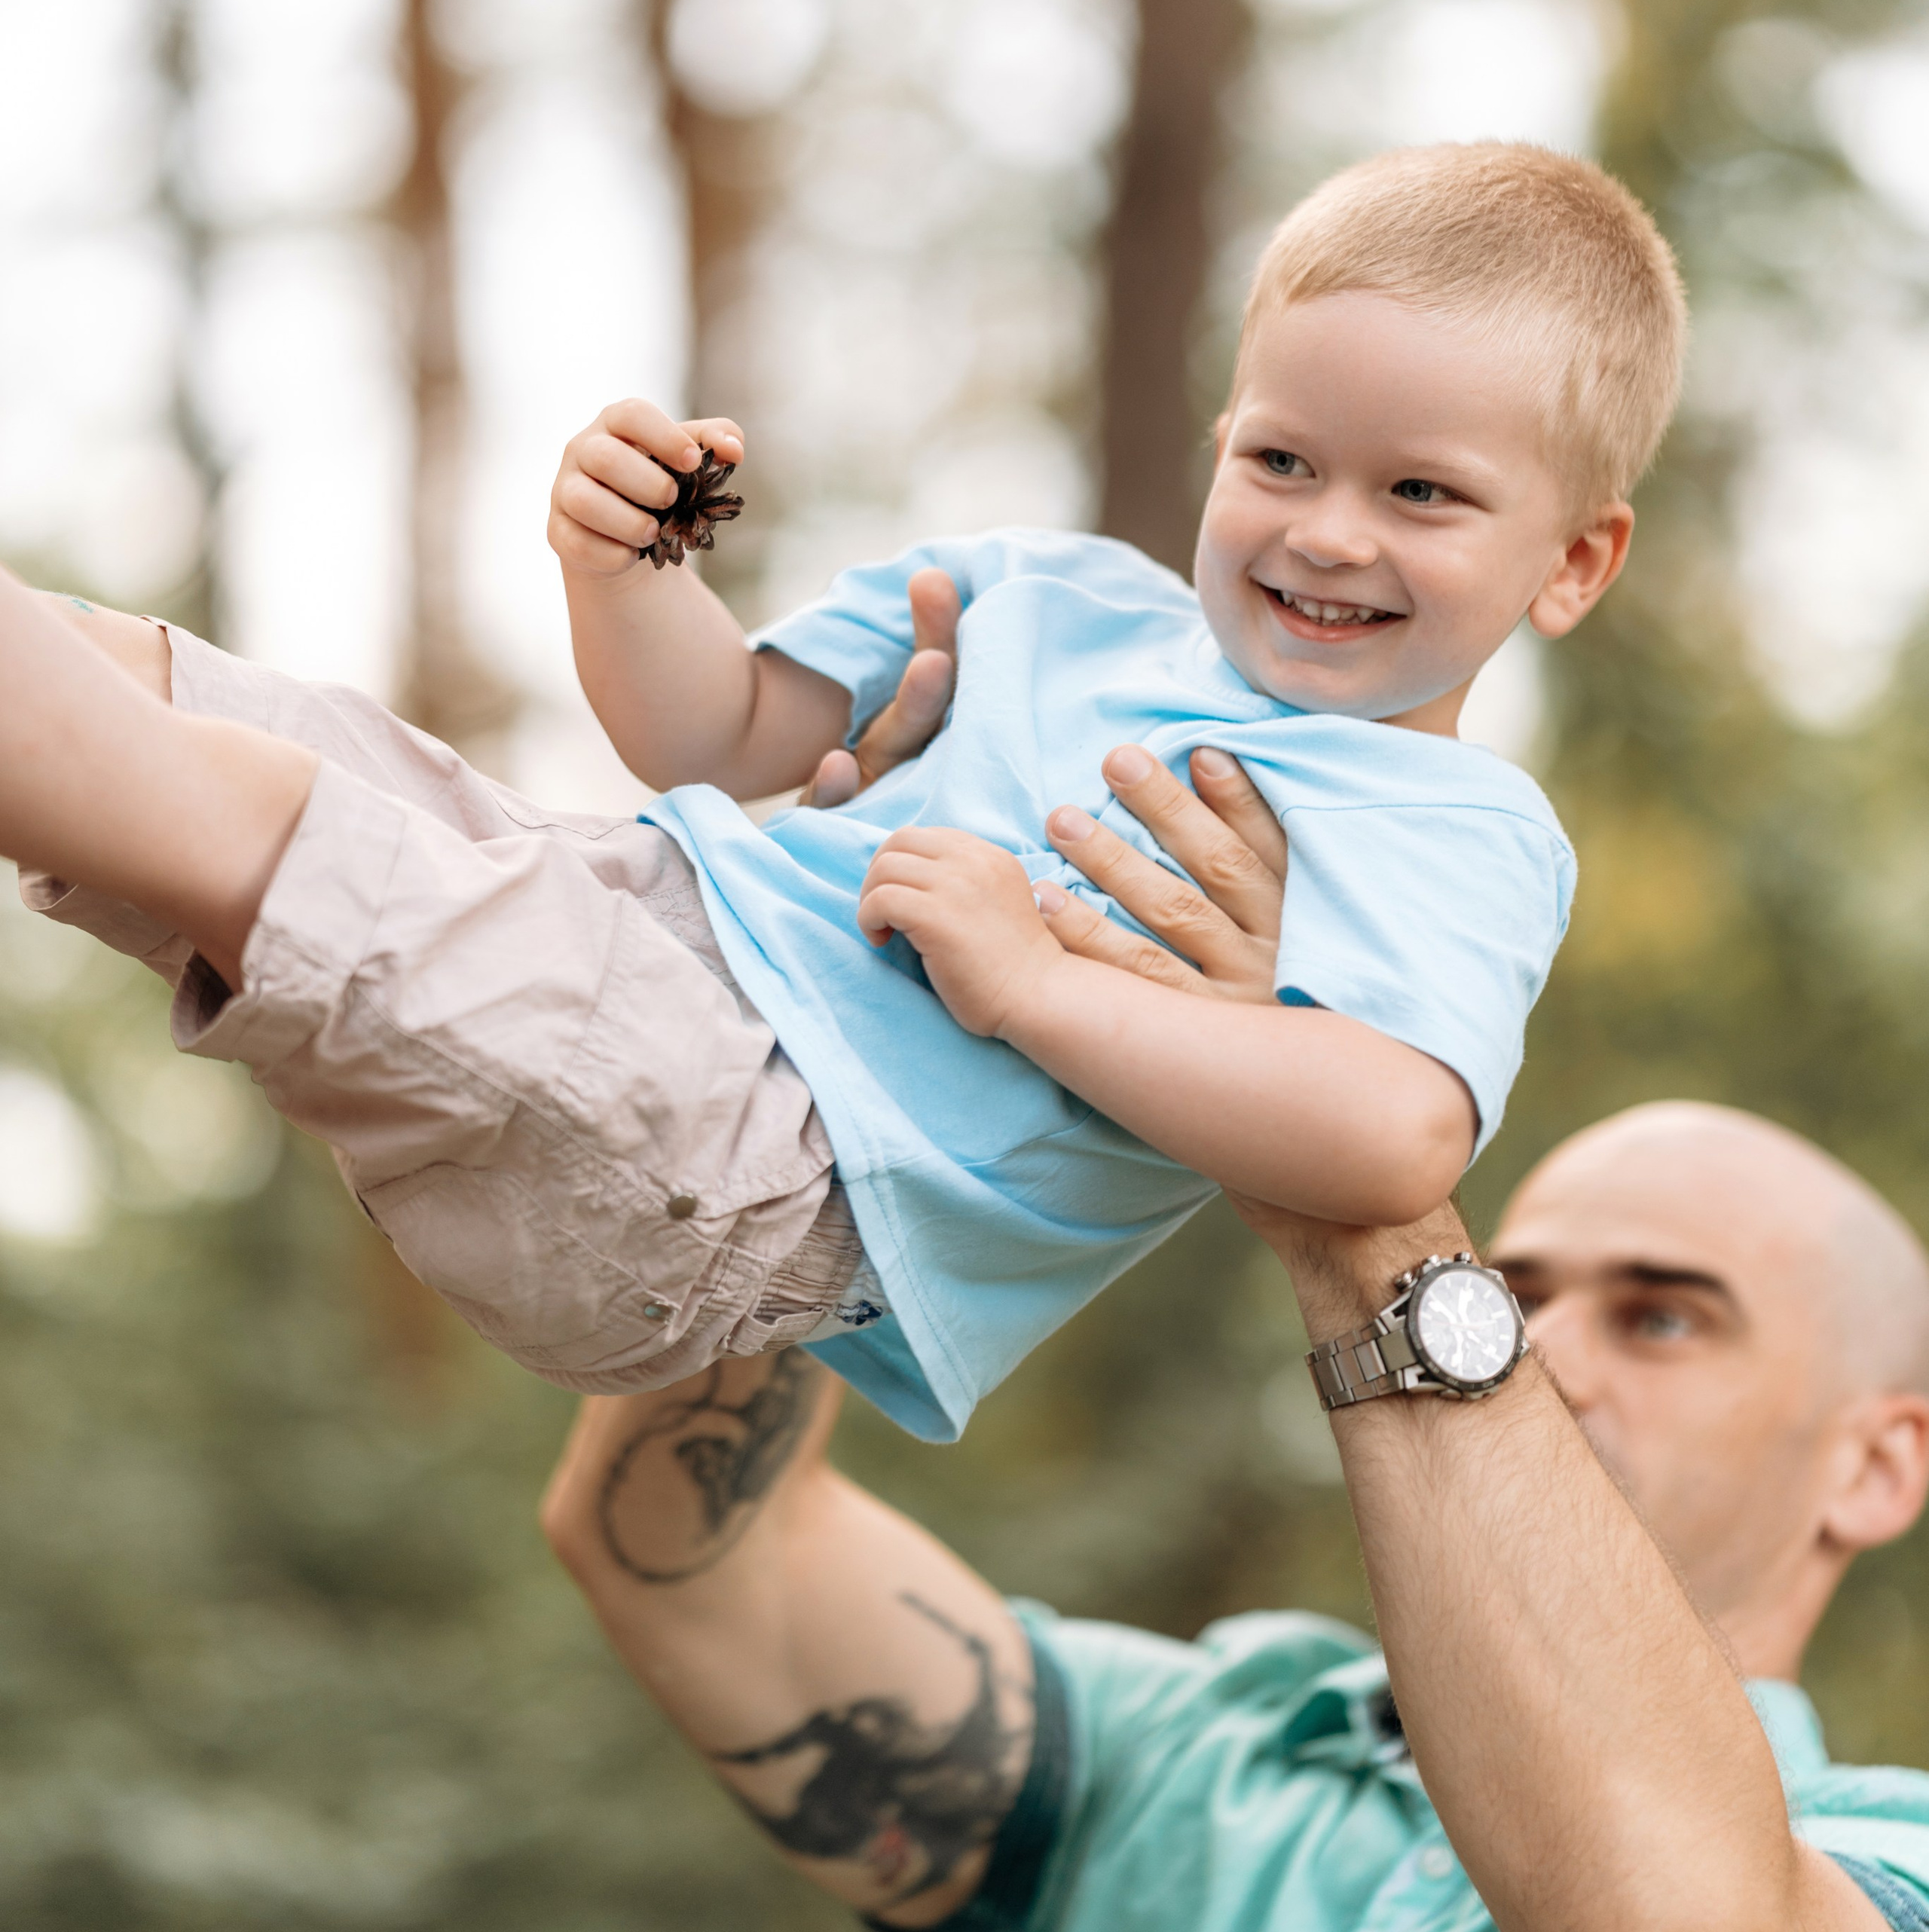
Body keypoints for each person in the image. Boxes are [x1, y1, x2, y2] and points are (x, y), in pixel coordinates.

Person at [4, 142, 1681, 1444]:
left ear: (1572, 562)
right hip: (631, 904)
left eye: (1420, 494)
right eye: (1281, 460)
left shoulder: (1454, 828)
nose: (1327, 531)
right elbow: (719, 735)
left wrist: (1033, 988)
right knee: (156, 693)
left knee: (233, 808)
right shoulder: (1046, 597)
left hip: (761, 1143)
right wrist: (623, 569)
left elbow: (1394, 1134)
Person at [540, 741, 1929, 1932]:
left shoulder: (1890, 1877)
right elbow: (695, 1556)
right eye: (1515, 1294)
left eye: (1663, 1318)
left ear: (1877, 1466)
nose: (1548, 1352)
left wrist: (1359, 1210)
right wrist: (836, 1013)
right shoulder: (1183, 1763)